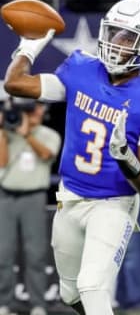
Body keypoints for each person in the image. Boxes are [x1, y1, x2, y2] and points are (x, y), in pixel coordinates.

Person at [3, 0, 140, 315]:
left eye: (128, 38)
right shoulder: (81, 70)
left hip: (113, 202)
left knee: (91, 286)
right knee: (70, 294)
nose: (117, 43)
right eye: (114, 33)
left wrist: (125, 156)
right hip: (70, 197)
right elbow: (16, 84)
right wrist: (29, 47)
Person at [0, 99, 61, 315]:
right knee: (3, 253)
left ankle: (38, 304)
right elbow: (2, 162)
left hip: (34, 197)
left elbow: (46, 155)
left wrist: (27, 134)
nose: (33, 112)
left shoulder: (49, 135)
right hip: (6, 196)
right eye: (28, 109)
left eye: (34, 108)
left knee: (35, 253)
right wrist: (3, 130)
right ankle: (3, 303)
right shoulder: (9, 132)